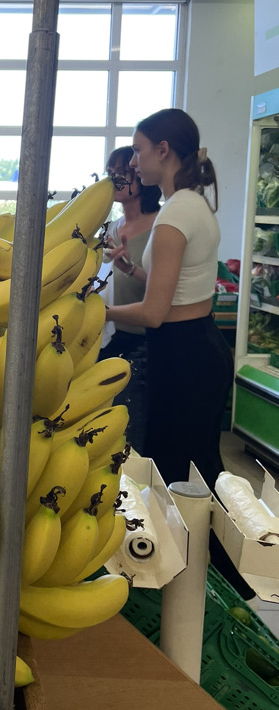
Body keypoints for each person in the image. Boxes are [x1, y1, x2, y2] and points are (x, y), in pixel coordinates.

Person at [105, 109, 248, 596]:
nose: (135, 164)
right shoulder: (191, 205)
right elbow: (178, 290)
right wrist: (129, 267)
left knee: (184, 472)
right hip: (197, 346)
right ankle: (214, 574)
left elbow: (154, 314)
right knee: (198, 466)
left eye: (140, 151)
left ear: (163, 150)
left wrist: (94, 312)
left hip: (181, 356)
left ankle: (217, 577)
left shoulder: (174, 214)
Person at [99, 146, 161, 453]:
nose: (115, 180)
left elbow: (164, 290)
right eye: (111, 172)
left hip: (142, 342)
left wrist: (131, 269)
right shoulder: (110, 229)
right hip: (109, 338)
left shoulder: (160, 227)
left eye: (122, 173)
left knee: (130, 434)